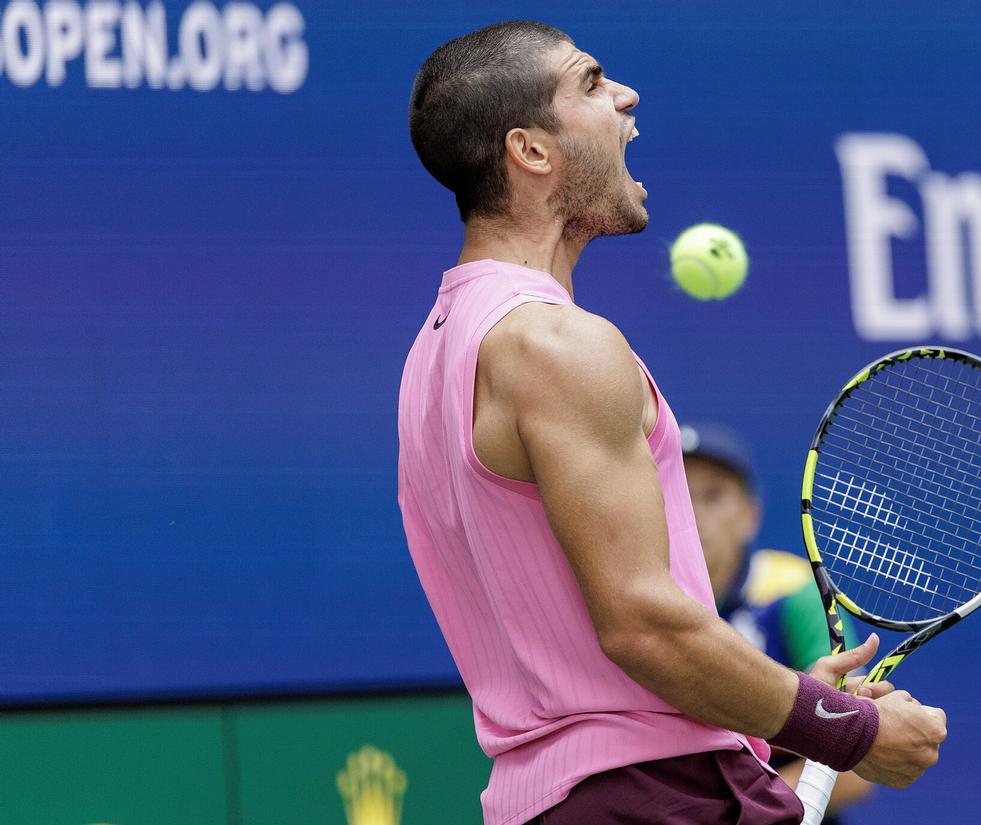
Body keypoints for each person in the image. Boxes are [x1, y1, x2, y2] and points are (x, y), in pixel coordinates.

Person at [397, 21, 947, 825]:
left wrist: (782, 703)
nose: (625, 96)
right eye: (589, 83)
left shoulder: (439, 348)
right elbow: (641, 623)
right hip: (650, 799)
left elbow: (591, 648)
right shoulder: (557, 343)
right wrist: (850, 729)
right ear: (532, 151)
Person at [681, 422, 874, 822]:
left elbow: (856, 765)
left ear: (750, 517)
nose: (693, 513)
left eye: (714, 496)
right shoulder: (631, 610)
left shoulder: (796, 592)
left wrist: (742, 816)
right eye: (677, 494)